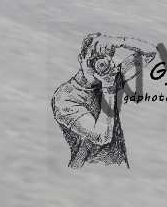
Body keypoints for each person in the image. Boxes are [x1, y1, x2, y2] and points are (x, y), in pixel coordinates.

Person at [51, 33, 158, 168]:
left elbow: (150, 52)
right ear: (81, 59)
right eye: (93, 59)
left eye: (103, 59)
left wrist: (118, 41)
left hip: (120, 169)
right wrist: (108, 88)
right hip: (85, 171)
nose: (97, 65)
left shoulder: (110, 77)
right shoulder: (64, 97)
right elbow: (102, 137)